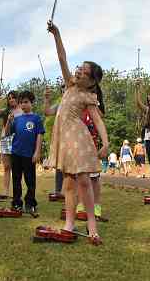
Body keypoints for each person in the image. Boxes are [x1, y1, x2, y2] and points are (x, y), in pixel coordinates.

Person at [46, 21, 108, 243]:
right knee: (68, 184)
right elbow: (62, 57)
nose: (79, 70)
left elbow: (98, 120)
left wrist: (106, 142)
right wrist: (57, 34)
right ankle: (69, 224)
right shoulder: (70, 85)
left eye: (85, 71)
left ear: (91, 82)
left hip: (79, 140)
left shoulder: (87, 95)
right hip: (65, 140)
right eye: (80, 67)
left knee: (83, 181)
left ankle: (92, 226)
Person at [5, 91, 44, 214]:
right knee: (16, 179)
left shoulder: (36, 118)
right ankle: (16, 203)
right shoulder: (16, 119)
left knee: (30, 180)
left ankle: (30, 203)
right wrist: (8, 121)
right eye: (21, 102)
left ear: (32, 103)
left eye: (26, 102)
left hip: (29, 155)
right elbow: (7, 133)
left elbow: (39, 135)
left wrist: (37, 152)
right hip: (16, 153)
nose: (23, 105)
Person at [0, 91, 23, 198]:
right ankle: (6, 192)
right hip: (5, 139)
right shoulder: (6, 111)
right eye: (9, 98)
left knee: (17, 168)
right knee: (7, 167)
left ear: (18, 99)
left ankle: (17, 193)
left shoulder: (22, 111)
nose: (11, 100)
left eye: (13, 97)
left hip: (17, 139)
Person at [44, 86, 64, 197]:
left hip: (73, 138)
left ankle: (70, 191)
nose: (64, 90)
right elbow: (47, 112)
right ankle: (58, 190)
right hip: (60, 138)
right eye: (62, 89)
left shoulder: (78, 101)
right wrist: (47, 99)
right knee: (59, 164)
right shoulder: (59, 105)